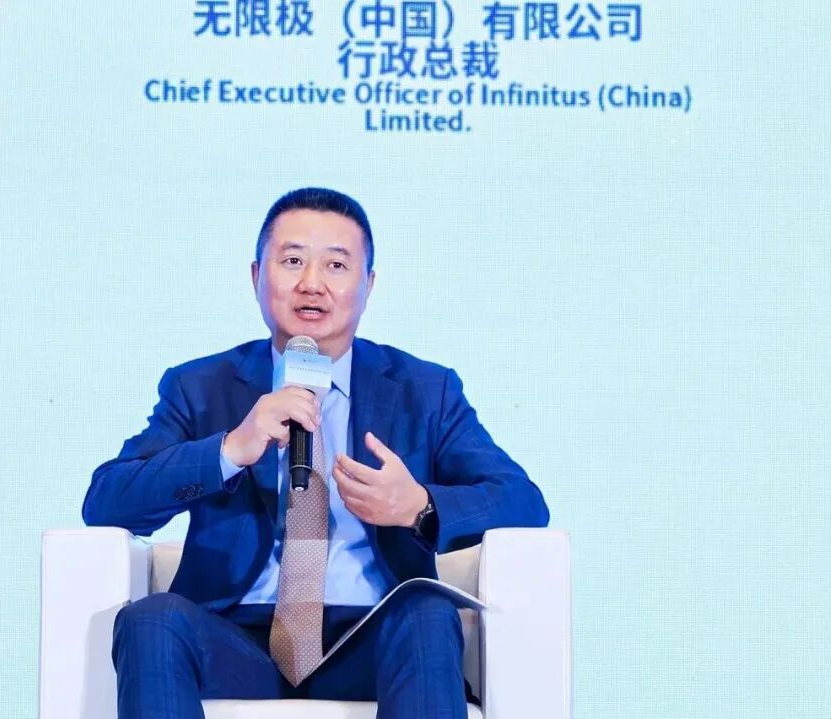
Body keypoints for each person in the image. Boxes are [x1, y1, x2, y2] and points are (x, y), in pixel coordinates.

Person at [82, 187, 550, 719]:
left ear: (367, 286)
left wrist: (418, 507)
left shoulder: (425, 391)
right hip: (235, 636)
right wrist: (230, 449)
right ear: (257, 277)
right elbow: (107, 501)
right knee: (151, 619)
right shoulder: (201, 387)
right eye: (292, 261)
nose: (312, 283)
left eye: (336, 265)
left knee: (427, 612)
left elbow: (523, 502)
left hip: (376, 635)